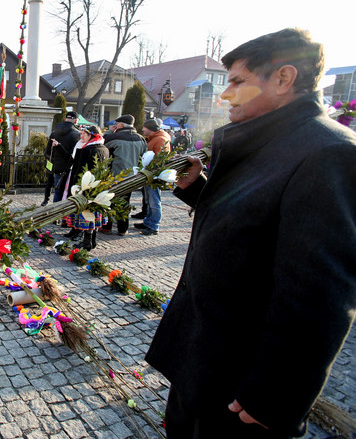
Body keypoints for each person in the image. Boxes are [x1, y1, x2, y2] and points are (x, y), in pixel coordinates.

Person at [145, 28, 356, 438]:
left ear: (283, 78)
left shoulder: (328, 152)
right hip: (203, 359)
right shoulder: (270, 139)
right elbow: (259, 226)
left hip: (240, 388)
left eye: (238, 82)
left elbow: (318, 295)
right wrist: (199, 190)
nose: (225, 95)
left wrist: (275, 397)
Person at [60, 125, 109, 250]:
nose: (82, 136)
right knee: (95, 211)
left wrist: (75, 189)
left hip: (85, 186)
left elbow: (79, 170)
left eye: (84, 134)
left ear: (92, 136)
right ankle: (92, 240)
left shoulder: (87, 149)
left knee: (86, 213)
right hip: (98, 187)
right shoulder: (104, 148)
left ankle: (87, 241)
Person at [100, 114, 147, 236]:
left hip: (115, 175)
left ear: (121, 125)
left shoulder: (113, 137)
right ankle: (122, 228)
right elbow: (144, 156)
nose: (115, 125)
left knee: (109, 201)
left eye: (117, 123)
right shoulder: (141, 139)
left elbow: (104, 152)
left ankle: (107, 227)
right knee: (125, 202)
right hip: (133, 176)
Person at [134, 118, 171, 236]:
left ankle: (154, 225)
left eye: (145, 128)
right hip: (149, 173)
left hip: (154, 175)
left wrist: (152, 169)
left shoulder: (160, 139)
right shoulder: (154, 138)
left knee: (154, 200)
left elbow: (160, 158)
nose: (143, 129)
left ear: (150, 129)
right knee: (149, 200)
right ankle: (148, 222)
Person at [45, 111, 80, 203]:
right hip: (68, 167)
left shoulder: (54, 133)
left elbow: (46, 152)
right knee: (67, 192)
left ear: (65, 119)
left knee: (58, 191)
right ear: (76, 121)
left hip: (55, 166)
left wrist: (53, 161)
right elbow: (73, 155)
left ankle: (54, 210)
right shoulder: (76, 134)